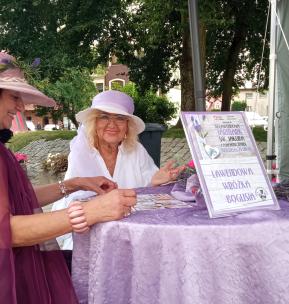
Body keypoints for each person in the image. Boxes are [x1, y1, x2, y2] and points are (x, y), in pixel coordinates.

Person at [0, 52, 136, 303]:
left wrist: (75, 184)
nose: (20, 106)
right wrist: (92, 211)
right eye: (14, 96)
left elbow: (21, 199)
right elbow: (6, 231)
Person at [52, 90, 185, 249]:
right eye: (104, 117)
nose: (112, 125)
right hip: (91, 230)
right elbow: (75, 201)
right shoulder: (81, 153)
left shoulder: (136, 150)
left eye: (120, 118)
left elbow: (147, 188)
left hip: (133, 231)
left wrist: (154, 180)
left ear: (127, 126)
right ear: (94, 122)